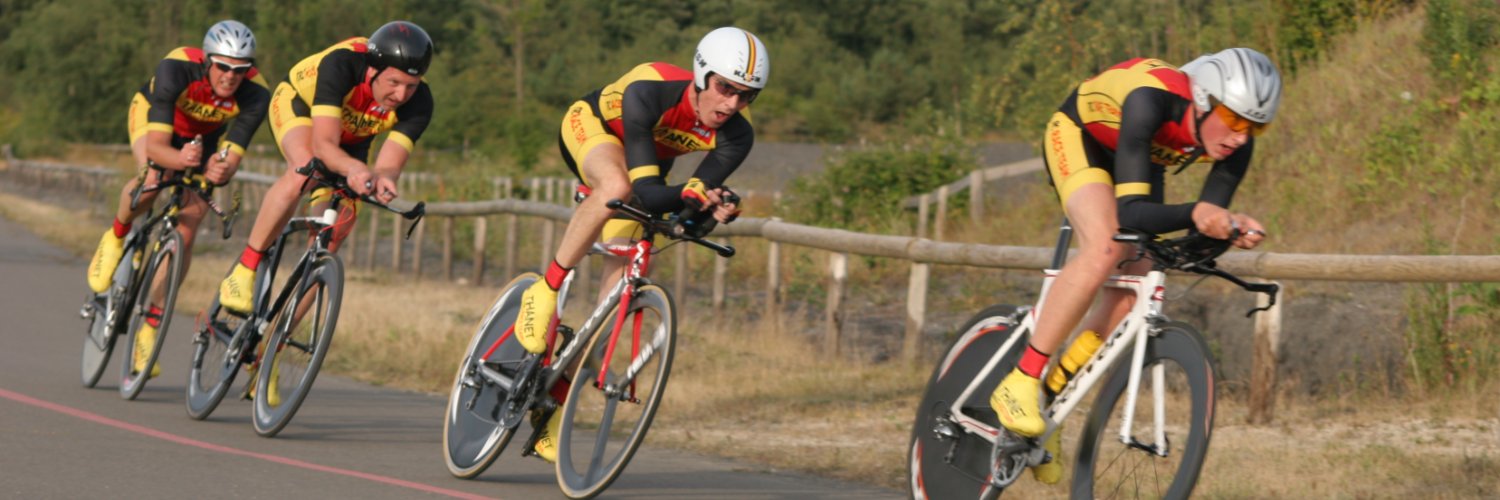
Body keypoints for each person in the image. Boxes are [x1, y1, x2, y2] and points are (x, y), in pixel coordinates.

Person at [988, 48, 1281, 484]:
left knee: (1131, 291)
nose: (1241, 136)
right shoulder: (1152, 100)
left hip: (1142, 156)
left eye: (1256, 126)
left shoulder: (1235, 147)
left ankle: (1050, 401)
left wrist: (1228, 229)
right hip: (1081, 135)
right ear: (1203, 101)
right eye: (1236, 120)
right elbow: (1132, 214)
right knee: (1107, 247)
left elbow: (1202, 225)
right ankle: (1022, 380)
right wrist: (1199, 214)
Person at [514, 26, 768, 462]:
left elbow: (683, 210)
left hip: (648, 163)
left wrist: (712, 209)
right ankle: (546, 290)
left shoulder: (737, 136)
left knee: (615, 300)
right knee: (615, 186)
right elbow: (647, 191)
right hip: (594, 128)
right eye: (725, 88)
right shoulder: (649, 93)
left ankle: (551, 406)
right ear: (702, 75)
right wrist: (692, 193)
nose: (732, 104)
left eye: (746, 96)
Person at [214, 21, 435, 402]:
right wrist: (353, 170)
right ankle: (246, 268)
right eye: (394, 83)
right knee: (305, 171)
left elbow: (389, 163)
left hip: (354, 140)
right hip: (301, 108)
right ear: (372, 70)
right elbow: (326, 144)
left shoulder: (421, 102)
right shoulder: (342, 65)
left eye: (411, 87)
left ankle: (270, 356)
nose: (401, 94)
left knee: (333, 238)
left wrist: (382, 180)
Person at [85, 20, 269, 379]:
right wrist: (178, 160)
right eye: (223, 67)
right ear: (207, 61)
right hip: (157, 123)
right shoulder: (176, 67)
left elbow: (231, 155)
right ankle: (117, 235)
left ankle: (149, 328)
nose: (231, 77)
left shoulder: (256, 94)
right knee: (152, 179)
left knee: (191, 221)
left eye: (240, 70)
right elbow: (156, 147)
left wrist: (220, 170)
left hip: (204, 138)